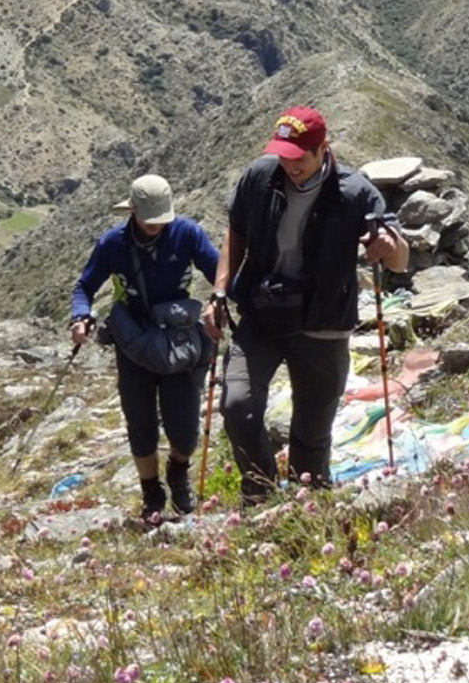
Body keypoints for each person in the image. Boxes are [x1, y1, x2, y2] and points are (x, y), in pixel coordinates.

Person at [206, 106, 408, 505]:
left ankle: (309, 508)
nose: (289, 165)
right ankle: (261, 496)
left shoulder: (355, 192)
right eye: (283, 155)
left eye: (298, 158)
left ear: (322, 150)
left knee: (312, 436)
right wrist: (219, 291)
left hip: (323, 324)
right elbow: (237, 231)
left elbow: (400, 260)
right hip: (262, 314)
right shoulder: (261, 177)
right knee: (237, 405)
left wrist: (388, 245)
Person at [70, 174, 220, 522]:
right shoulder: (113, 244)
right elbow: (85, 286)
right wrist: (81, 317)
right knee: (141, 423)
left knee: (184, 425)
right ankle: (151, 491)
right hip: (133, 343)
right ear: (133, 211)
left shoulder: (187, 234)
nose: (156, 226)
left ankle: (178, 470)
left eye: (161, 219)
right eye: (148, 219)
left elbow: (219, 273)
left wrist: (223, 300)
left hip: (178, 340)